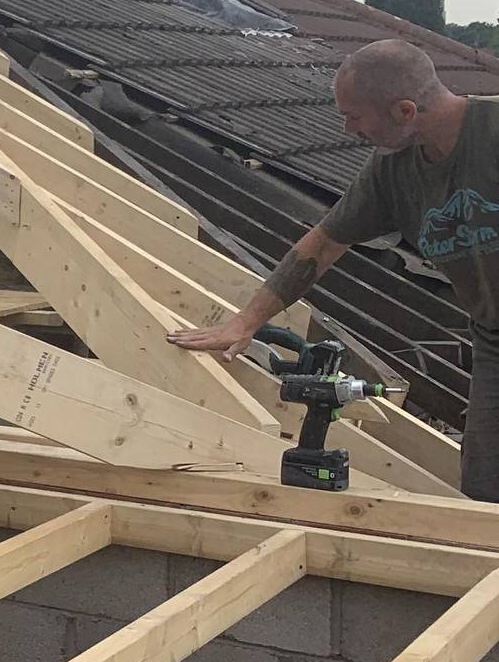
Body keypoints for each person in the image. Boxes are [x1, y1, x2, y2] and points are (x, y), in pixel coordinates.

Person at [168, 37, 499, 498]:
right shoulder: (392, 171)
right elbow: (321, 246)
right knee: (486, 488)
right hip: (493, 339)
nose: (348, 130)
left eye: (355, 117)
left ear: (405, 111)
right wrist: (246, 322)